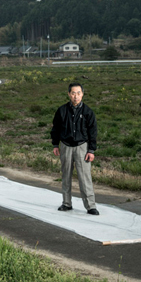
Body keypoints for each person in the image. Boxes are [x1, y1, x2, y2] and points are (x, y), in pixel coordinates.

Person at [51, 82, 99, 215]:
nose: (76, 96)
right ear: (68, 94)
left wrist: (91, 150)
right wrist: (55, 144)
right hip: (65, 146)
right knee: (66, 175)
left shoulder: (88, 112)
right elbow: (55, 128)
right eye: (73, 93)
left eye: (78, 93)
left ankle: (91, 206)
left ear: (82, 94)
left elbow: (93, 133)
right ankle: (66, 203)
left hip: (82, 147)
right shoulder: (61, 111)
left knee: (85, 177)